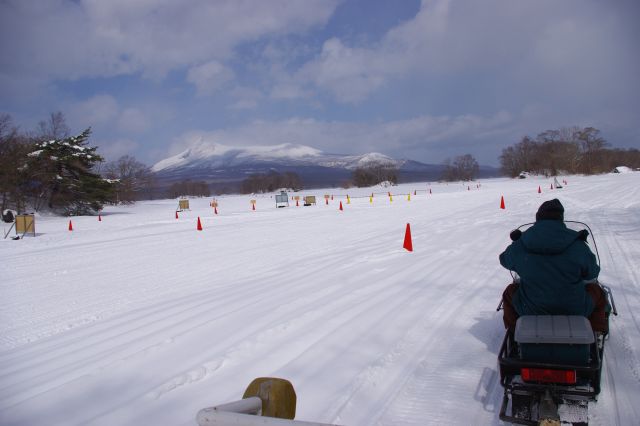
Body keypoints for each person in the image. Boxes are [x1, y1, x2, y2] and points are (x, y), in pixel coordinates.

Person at [499, 199, 608, 333]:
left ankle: (514, 333)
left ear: (538, 218)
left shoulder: (522, 242)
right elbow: (592, 273)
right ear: (560, 219)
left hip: (530, 308)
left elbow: (504, 260)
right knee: (599, 292)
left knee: (510, 291)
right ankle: (596, 332)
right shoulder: (577, 243)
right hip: (575, 309)